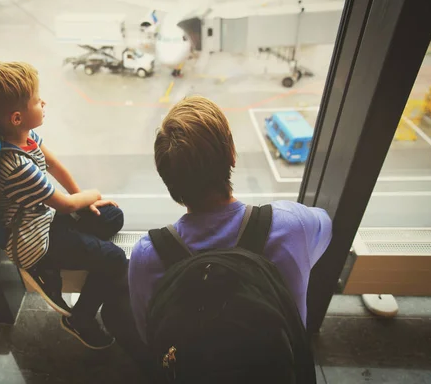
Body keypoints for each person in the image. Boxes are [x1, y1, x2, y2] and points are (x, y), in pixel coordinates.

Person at [128, 95, 332, 379]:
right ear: (232, 154)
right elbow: (326, 226)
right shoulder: (292, 225)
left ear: (168, 181)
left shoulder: (148, 256)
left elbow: (148, 332)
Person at [0, 60, 127, 350]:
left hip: (44, 217)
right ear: (17, 117)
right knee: (114, 259)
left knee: (111, 216)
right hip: (35, 241)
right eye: (38, 101)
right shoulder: (14, 165)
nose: (44, 103)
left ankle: (83, 248)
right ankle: (80, 317)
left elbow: (53, 164)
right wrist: (92, 193)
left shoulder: (25, 137)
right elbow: (64, 205)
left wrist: (88, 201)